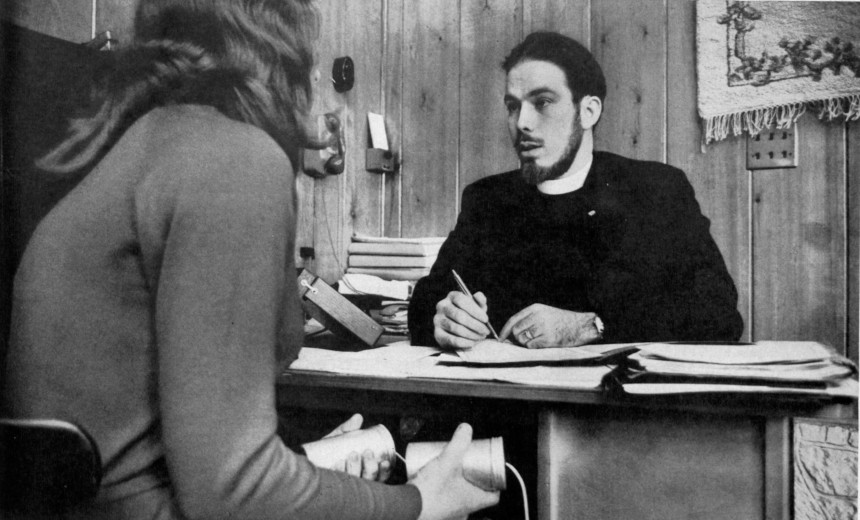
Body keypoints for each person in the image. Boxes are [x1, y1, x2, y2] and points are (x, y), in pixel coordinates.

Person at [1, 1, 498, 519]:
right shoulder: (233, 158)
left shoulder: (132, 147)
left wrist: (302, 471)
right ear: (286, 48)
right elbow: (233, 493)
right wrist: (418, 503)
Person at [409, 31, 744, 350]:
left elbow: (719, 315)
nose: (522, 122)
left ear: (588, 111)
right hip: (510, 404)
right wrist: (444, 319)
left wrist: (591, 326)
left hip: (617, 406)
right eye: (512, 106)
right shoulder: (487, 199)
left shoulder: (656, 190)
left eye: (542, 102)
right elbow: (423, 306)